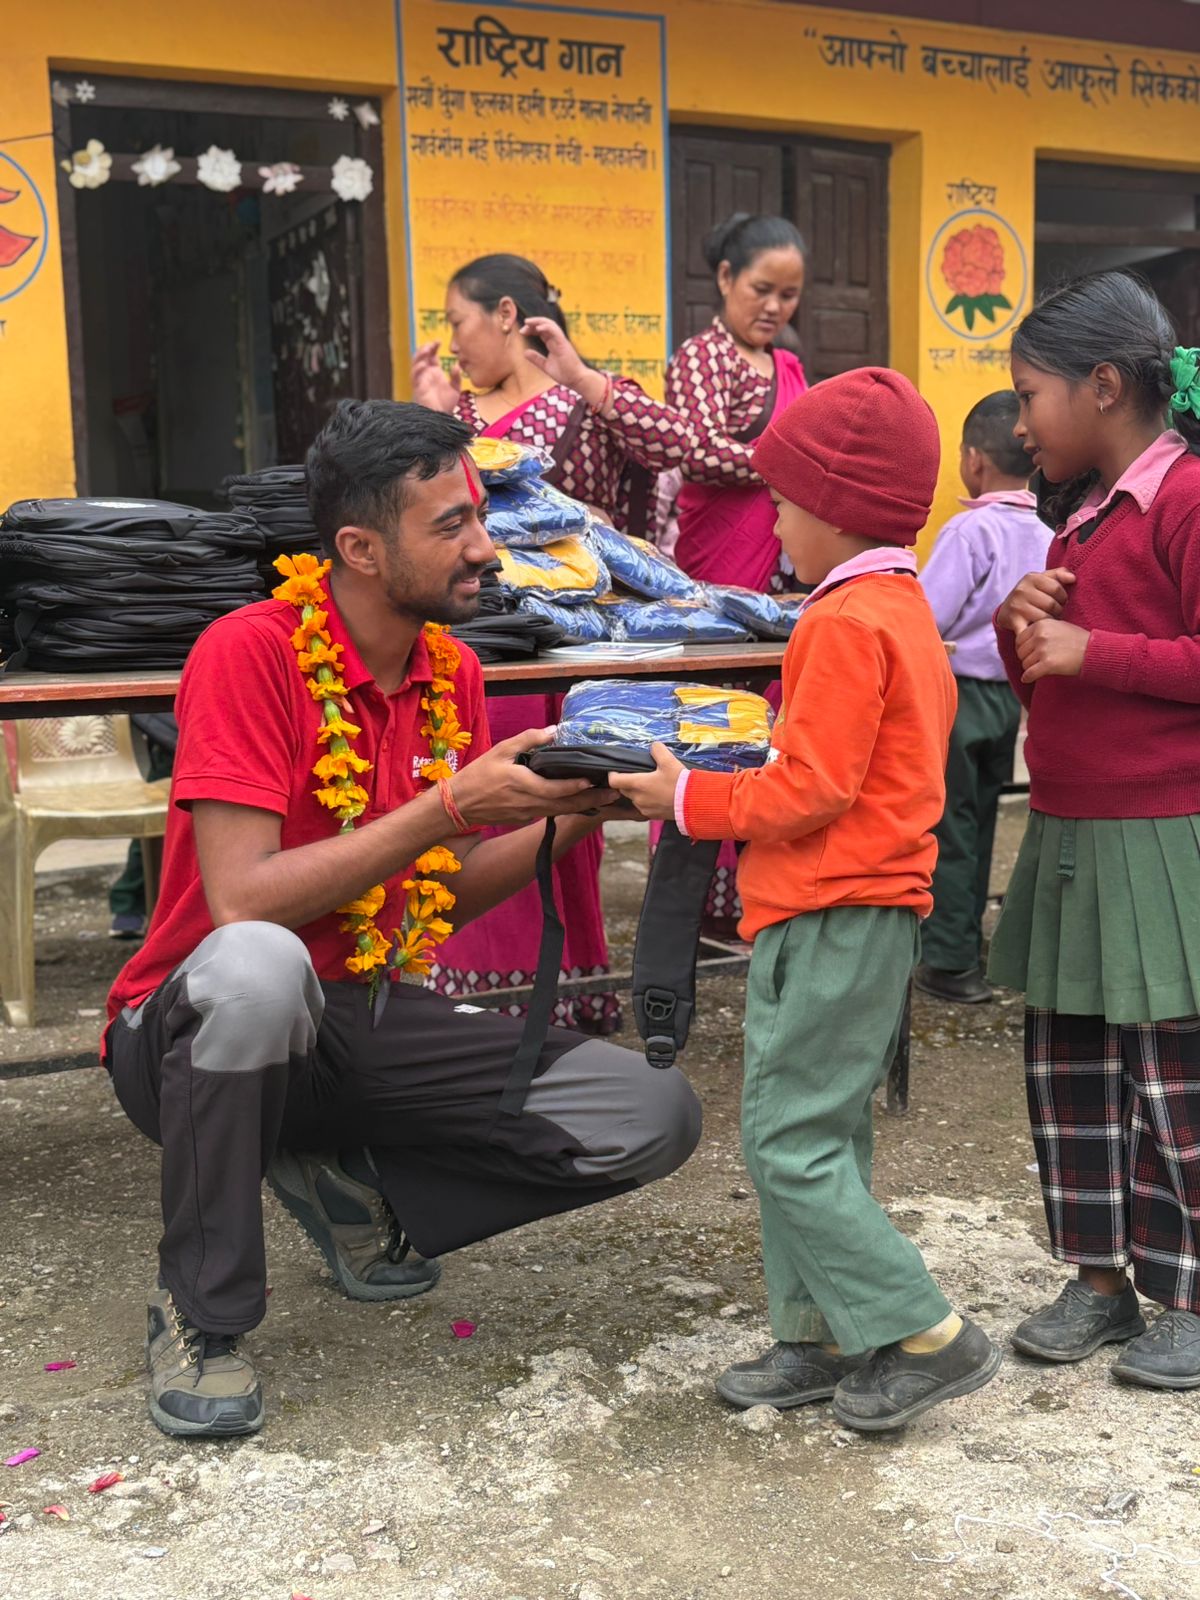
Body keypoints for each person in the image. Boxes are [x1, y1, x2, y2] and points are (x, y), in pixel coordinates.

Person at [103, 399, 702, 1439]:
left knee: (652, 1114)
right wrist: (450, 804)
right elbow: (242, 901)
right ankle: (201, 1313)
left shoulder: (450, 669)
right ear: (360, 549)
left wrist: (575, 816)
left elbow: (441, 890)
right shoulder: (249, 653)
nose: (485, 548)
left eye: (480, 517)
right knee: (257, 965)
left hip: (362, 1015)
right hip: (193, 1027)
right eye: (451, 525)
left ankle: (353, 1183)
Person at [611, 369, 1002, 1432]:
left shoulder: (843, 621)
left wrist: (683, 796)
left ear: (831, 506)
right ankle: (821, 1330)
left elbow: (809, 789)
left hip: (835, 910)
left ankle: (926, 1331)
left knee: (789, 1139)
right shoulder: (898, 608)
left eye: (782, 500)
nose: (774, 519)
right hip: (848, 910)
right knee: (815, 1130)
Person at [988, 272, 1200, 1389]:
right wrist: (1022, 628)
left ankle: (1193, 1293)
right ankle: (1098, 1279)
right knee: (1071, 1069)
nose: (1020, 422)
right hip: (1071, 827)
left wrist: (1093, 652)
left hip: (1161, 833)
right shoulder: (1079, 515)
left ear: (1105, 386)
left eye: (1032, 395)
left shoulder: (1188, 499)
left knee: (1174, 1076)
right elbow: (1052, 677)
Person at [411, 254, 703, 1032]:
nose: (454, 341)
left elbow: (678, 445)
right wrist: (429, 419)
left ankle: (564, 998)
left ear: (506, 315)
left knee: (562, 806)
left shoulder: (581, 403)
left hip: (570, 654)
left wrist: (577, 374)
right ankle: (469, 1005)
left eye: (459, 321)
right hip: (479, 642)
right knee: (477, 810)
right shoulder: (457, 418)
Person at [660, 214, 809, 934]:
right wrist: (787, 466)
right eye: (761, 289)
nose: (774, 307)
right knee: (706, 714)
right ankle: (694, 892)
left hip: (780, 564)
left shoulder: (789, 366)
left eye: (789, 294)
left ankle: (753, 882)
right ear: (724, 278)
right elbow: (697, 452)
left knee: (765, 720)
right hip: (717, 560)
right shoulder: (701, 357)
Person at [914, 392, 1049, 1004]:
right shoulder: (1046, 530)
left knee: (951, 829)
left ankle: (948, 962)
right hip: (1012, 699)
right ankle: (967, 946)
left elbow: (928, 617)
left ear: (973, 460)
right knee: (985, 822)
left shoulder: (971, 529)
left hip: (960, 698)